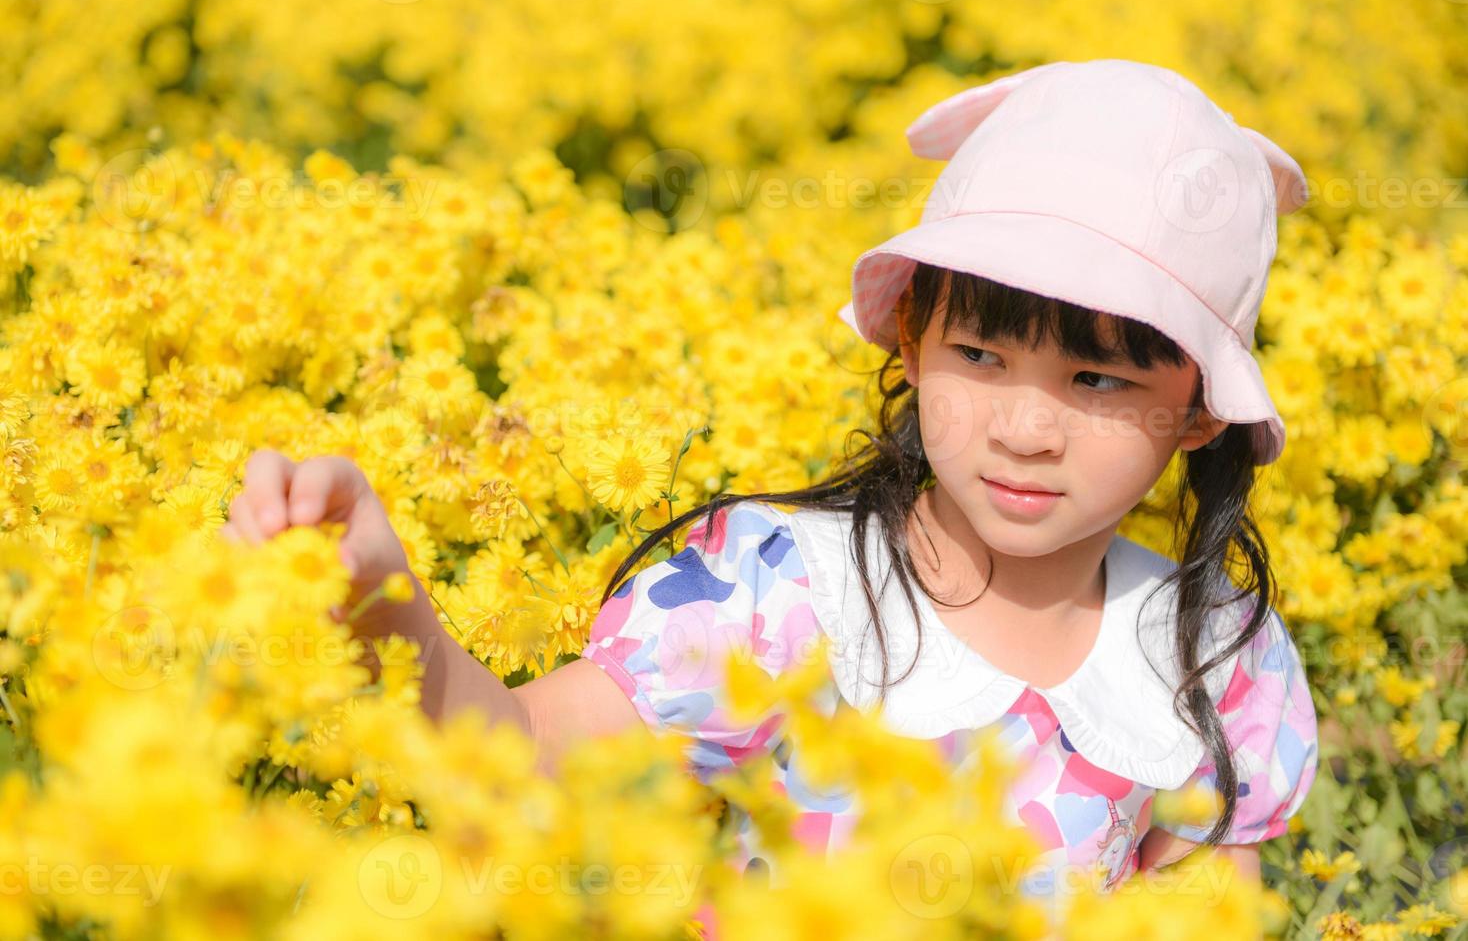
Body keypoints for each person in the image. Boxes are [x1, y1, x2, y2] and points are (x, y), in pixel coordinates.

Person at [222, 59, 1320, 927]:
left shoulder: (1213, 652)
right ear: (910, 337)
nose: (1024, 428)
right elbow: (512, 749)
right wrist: (382, 600)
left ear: (1197, 409)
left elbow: (1201, 913)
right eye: (980, 354)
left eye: (1097, 379)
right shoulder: (781, 587)